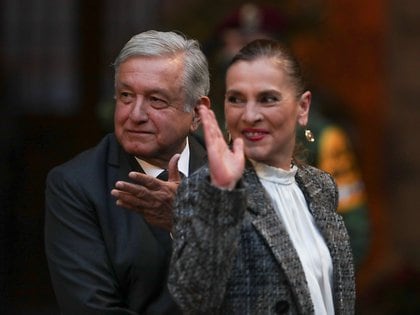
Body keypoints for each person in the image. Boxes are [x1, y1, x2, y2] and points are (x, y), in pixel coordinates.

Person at [169, 39, 355, 314]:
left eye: (267, 99)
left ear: (302, 107)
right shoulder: (204, 188)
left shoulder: (320, 186)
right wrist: (222, 192)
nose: (250, 115)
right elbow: (194, 299)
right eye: (236, 99)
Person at [44, 30, 210, 314]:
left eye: (156, 100)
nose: (135, 114)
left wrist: (188, 225)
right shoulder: (77, 184)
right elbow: (91, 307)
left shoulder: (232, 177)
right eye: (126, 96)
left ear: (197, 113)